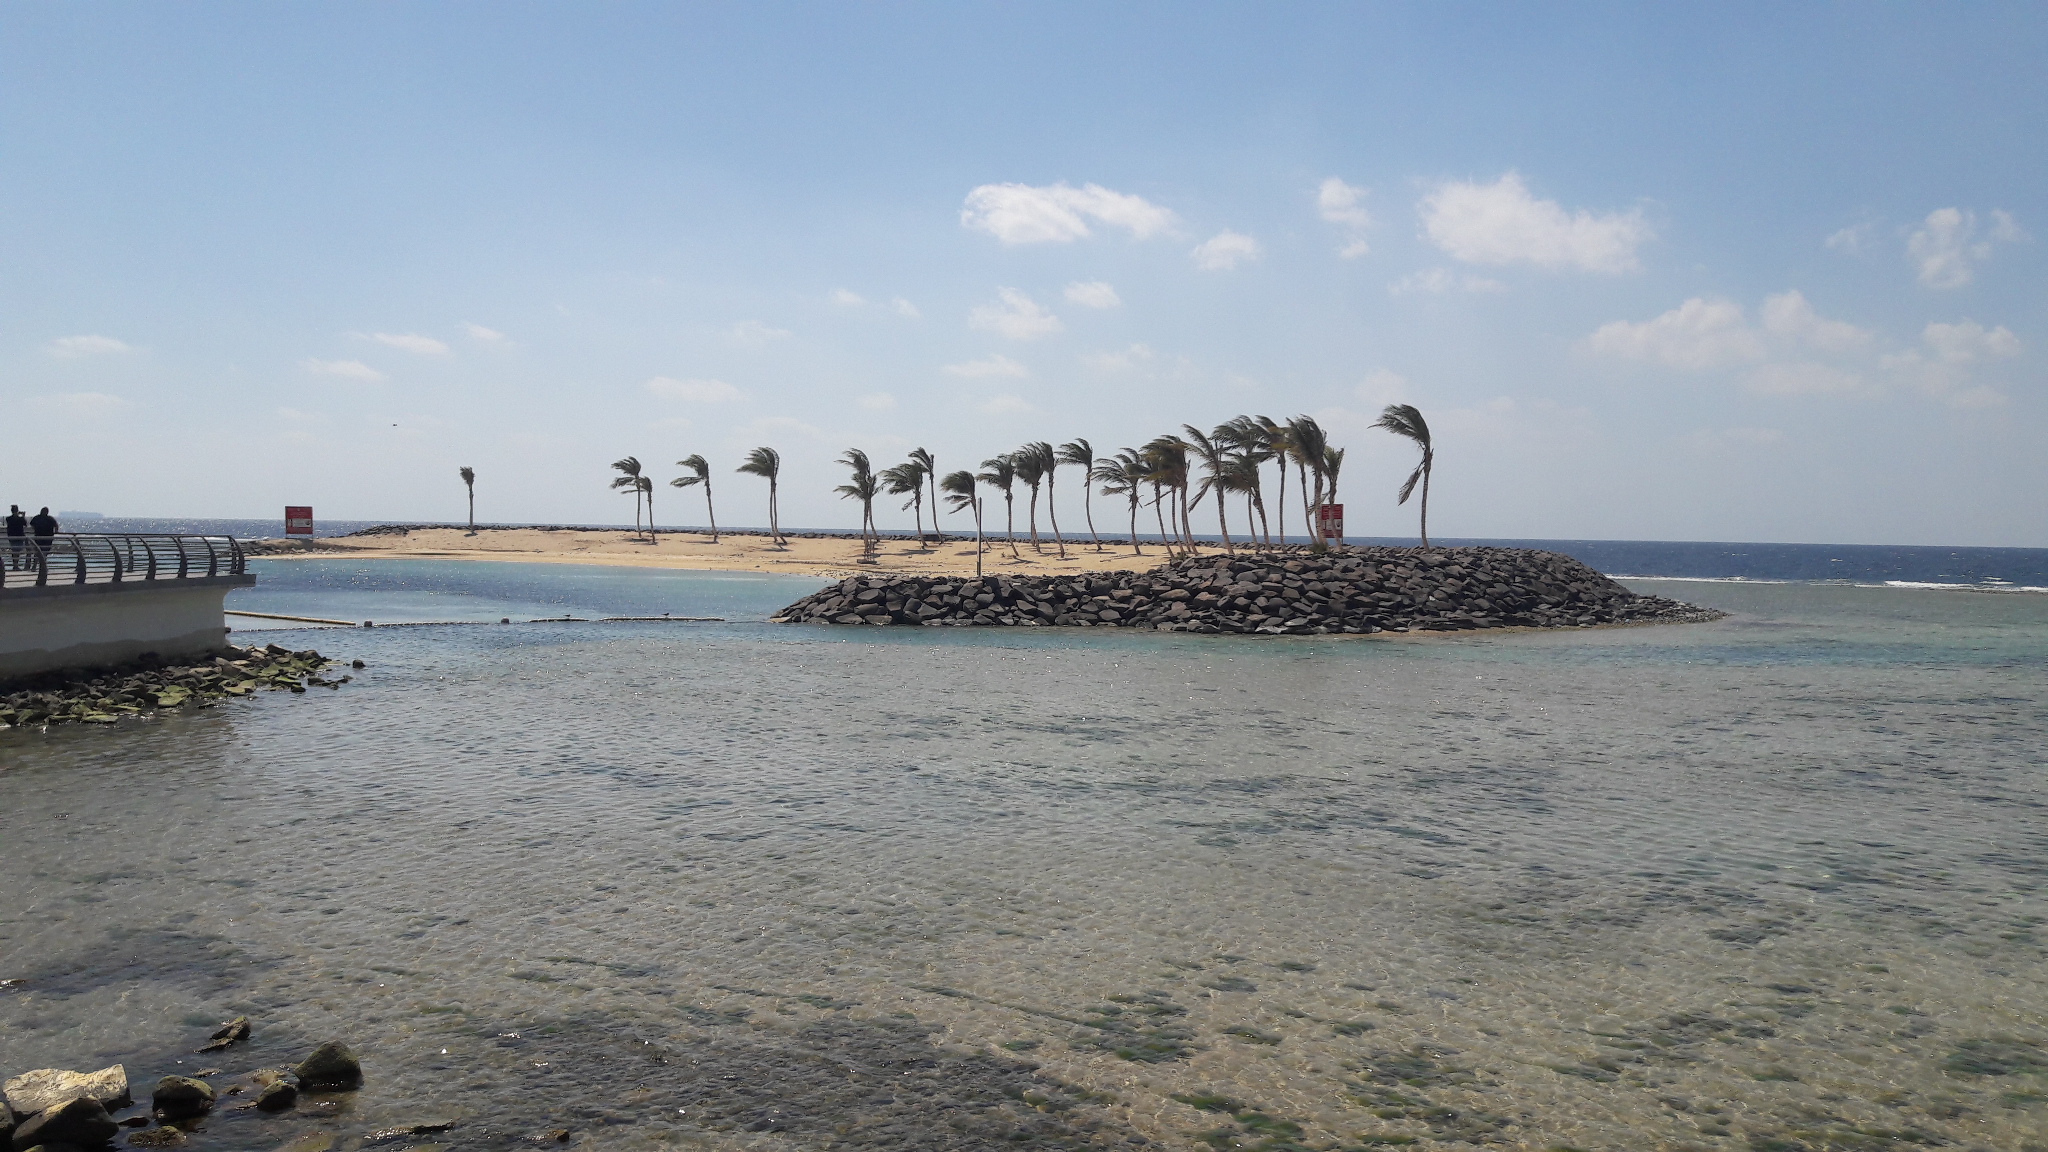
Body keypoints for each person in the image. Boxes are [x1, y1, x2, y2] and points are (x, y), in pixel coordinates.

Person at [4, 505, 24, 571]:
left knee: (14, 551)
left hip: (12, 536)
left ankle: (15, 565)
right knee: (17, 552)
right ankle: (15, 565)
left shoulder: (8, 518)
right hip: (19, 536)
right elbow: (25, 523)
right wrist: (22, 516)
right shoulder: (20, 519)